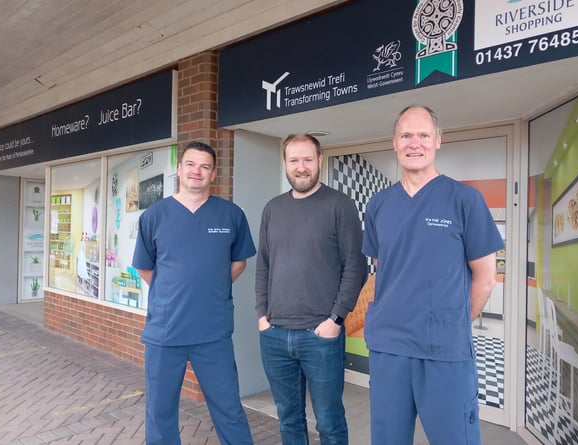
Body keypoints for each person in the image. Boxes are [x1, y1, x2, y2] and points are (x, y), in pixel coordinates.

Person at [362, 106, 504, 445]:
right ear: (394, 143)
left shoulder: (465, 200)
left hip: (443, 351)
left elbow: (485, 278)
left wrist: (450, 322)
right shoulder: (379, 204)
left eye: (423, 135)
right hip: (389, 348)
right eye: (406, 135)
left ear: (438, 141)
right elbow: (387, 268)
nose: (415, 143)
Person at [133, 141, 256, 445]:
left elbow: (238, 262)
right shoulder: (154, 216)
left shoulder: (231, 215)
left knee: (229, 410)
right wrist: (173, 292)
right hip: (165, 334)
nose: (196, 172)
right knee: (160, 415)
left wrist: (210, 286)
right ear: (179, 168)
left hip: (212, 334)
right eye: (190, 164)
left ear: (214, 173)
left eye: (204, 166)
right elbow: (146, 269)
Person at [255, 133, 367, 444]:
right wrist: (262, 316)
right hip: (274, 335)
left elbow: (355, 268)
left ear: (319, 160)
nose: (301, 167)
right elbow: (263, 265)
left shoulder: (340, 205)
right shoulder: (272, 209)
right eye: (294, 160)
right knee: (288, 418)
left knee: (329, 421)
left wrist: (336, 320)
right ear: (285, 164)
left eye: (307, 159)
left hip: (321, 336)